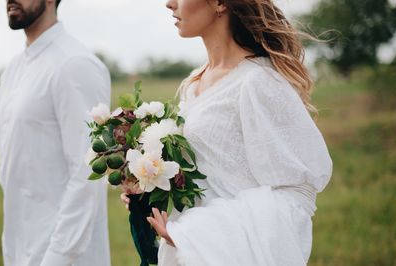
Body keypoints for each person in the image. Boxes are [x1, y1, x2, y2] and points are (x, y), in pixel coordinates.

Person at [121, 0, 333, 265]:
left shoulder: (257, 82)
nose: (169, 3)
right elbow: (209, 177)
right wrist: (151, 193)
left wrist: (197, 235)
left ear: (220, 3)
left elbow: (297, 193)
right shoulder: (194, 81)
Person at [0, 0, 111, 265]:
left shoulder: (74, 64)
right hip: (21, 245)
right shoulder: (13, 69)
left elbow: (87, 173)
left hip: (64, 252)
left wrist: (58, 257)